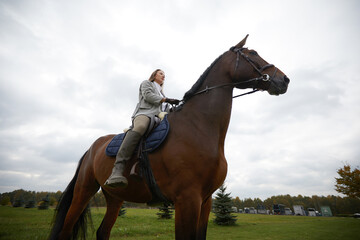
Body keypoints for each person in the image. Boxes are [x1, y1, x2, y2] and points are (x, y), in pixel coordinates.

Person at [104, 69, 180, 188]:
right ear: (154, 75)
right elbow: (148, 96)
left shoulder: (162, 93)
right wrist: (166, 100)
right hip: (145, 114)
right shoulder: (147, 84)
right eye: (161, 73)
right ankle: (117, 169)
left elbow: (164, 109)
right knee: (140, 127)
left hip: (159, 117)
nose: (163, 76)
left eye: (164, 75)